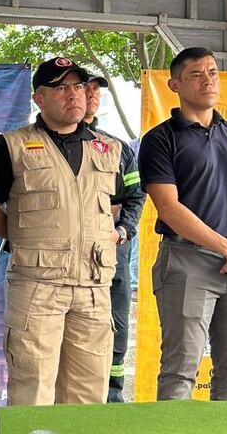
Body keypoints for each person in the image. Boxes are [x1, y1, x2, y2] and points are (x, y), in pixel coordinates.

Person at [0, 58, 123, 405]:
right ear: (39, 99)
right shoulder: (13, 145)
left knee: (89, 395)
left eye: (78, 87)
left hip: (93, 289)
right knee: (33, 389)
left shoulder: (108, 149)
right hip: (37, 287)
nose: (73, 95)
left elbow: (112, 207)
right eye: (60, 87)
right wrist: (26, 240)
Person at [137, 47, 227, 401]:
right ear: (175, 84)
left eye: (213, 72)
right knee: (181, 370)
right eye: (196, 74)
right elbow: (168, 208)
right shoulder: (160, 139)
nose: (208, 80)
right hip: (187, 260)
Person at [83, 73, 145, 402]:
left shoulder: (117, 147)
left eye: (96, 89)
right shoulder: (36, 142)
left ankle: (113, 397)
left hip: (113, 252)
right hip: (61, 259)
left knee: (116, 328)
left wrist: (122, 230)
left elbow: (135, 196)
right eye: (84, 88)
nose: (91, 95)